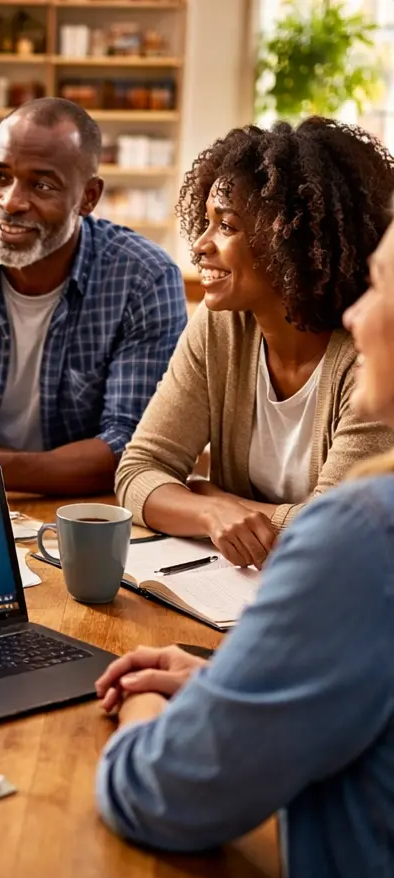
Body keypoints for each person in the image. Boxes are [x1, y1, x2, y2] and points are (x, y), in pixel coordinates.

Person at [93, 208, 394, 878]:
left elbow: (160, 794)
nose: (361, 312)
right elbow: (141, 467)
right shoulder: (218, 330)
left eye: (382, 289)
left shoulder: (367, 533)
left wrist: (148, 700)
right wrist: (235, 678)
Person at [116, 118, 394, 569]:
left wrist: (213, 491)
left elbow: (333, 533)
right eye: (206, 223)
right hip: (226, 591)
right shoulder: (219, 326)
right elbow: (138, 471)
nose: (200, 246)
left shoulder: (372, 356)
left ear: (295, 239)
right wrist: (211, 510)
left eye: (226, 226)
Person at [0, 97, 187, 495]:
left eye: (42, 185)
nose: (11, 202)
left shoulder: (143, 279)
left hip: (92, 512)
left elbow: (133, 449)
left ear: (89, 197)